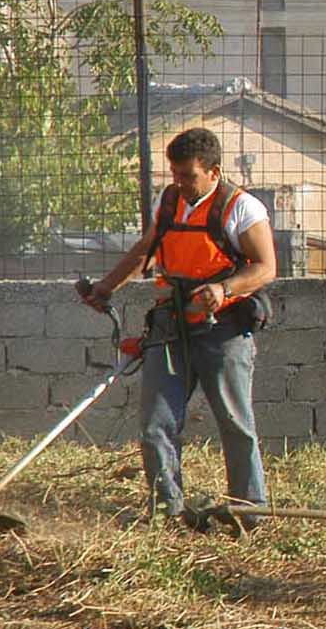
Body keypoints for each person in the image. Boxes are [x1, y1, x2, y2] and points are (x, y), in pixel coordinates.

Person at [81, 127, 276, 524]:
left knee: (235, 424)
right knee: (156, 423)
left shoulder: (243, 208)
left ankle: (248, 513)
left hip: (223, 328)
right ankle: (167, 510)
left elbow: (265, 268)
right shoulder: (169, 202)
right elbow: (146, 251)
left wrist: (224, 289)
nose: (180, 183)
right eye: (175, 173)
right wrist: (106, 286)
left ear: (214, 172)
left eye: (188, 175)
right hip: (171, 323)